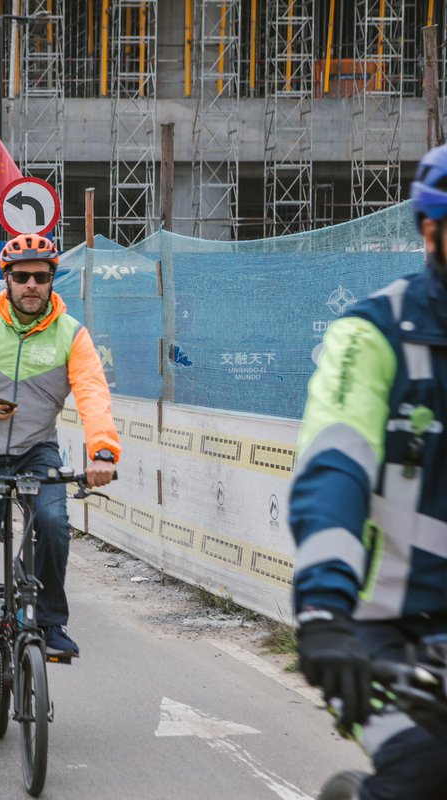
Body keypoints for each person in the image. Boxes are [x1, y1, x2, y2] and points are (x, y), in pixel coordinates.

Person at [288, 143, 447, 800]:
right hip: (380, 631)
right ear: (432, 233)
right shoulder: (373, 337)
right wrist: (325, 611)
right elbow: (335, 470)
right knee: (422, 774)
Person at [0, 232, 119, 711]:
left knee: (55, 524)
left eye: (41, 276)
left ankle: (51, 621)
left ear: (53, 279)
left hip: (37, 451)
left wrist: (102, 453)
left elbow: (93, 393)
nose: (32, 284)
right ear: (7, 280)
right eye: (22, 276)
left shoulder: (71, 333)